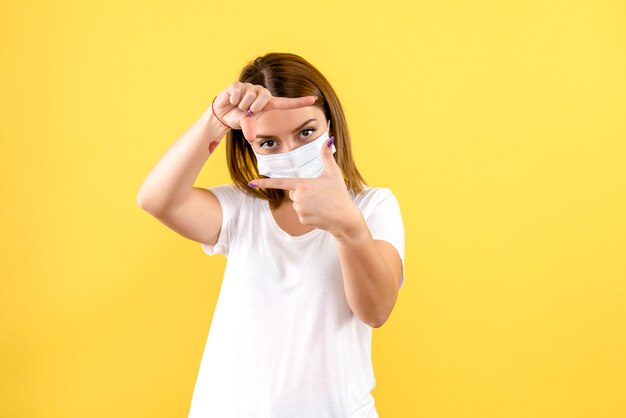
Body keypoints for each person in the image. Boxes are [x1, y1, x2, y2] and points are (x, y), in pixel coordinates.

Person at [137, 52, 405, 418]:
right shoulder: (241, 210)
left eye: (306, 132)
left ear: (331, 125)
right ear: (250, 147)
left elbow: (375, 311)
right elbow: (155, 199)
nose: (291, 152)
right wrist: (213, 121)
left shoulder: (374, 207)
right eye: (268, 143)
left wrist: (348, 226)